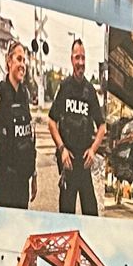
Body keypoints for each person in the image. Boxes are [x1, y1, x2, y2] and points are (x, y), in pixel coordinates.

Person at [47, 36, 107, 215]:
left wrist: (94, 149)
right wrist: (62, 148)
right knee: (66, 217)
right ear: (71, 59)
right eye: (77, 57)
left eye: (83, 58)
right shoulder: (64, 87)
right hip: (68, 165)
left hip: (84, 166)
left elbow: (102, 126)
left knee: (91, 214)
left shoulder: (90, 91)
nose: (80, 62)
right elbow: (51, 121)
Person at [0, 40, 38, 207]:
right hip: (5, 185)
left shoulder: (24, 94)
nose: (23, 64)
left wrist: (34, 175)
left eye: (24, 61)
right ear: (9, 61)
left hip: (22, 185)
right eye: (19, 59)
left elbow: (29, 138)